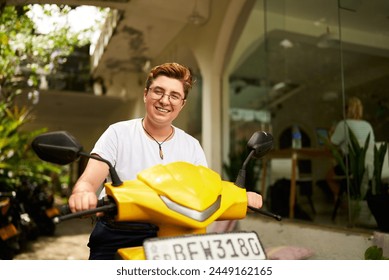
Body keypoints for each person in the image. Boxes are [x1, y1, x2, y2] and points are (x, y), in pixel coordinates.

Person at [68, 62, 264, 260]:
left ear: (182, 104)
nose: (164, 100)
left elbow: (207, 191)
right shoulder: (118, 133)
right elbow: (90, 179)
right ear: (146, 94)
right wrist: (83, 193)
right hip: (120, 232)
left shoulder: (192, 145)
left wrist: (241, 196)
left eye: (174, 95)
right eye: (158, 92)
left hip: (176, 238)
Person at [326, 96, 375, 201]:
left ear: (347, 110)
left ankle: (344, 202)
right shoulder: (368, 125)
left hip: (352, 164)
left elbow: (331, 146)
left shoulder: (343, 124)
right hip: (369, 164)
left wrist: (330, 134)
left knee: (329, 176)